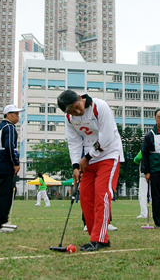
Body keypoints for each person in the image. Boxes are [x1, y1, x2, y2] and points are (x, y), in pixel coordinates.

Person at [57, 90, 124, 251]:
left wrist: (87, 157)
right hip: (88, 160)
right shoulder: (69, 119)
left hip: (109, 155)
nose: (77, 112)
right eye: (72, 111)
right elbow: (74, 143)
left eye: (77, 107)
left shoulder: (99, 107)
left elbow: (107, 138)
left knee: (102, 194)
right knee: (86, 198)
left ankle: (99, 239)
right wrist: (75, 166)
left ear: (80, 98)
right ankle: (96, 235)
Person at [0, 104, 24, 232]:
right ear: (8, 115)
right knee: (6, 194)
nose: (18, 116)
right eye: (15, 114)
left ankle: (1, 220)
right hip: (6, 165)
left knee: (3, 193)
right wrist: (15, 162)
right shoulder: (9, 127)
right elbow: (10, 147)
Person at [133, 151, 148, 219]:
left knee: (142, 194)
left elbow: (136, 159)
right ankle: (155, 213)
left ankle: (144, 213)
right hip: (155, 173)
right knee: (155, 194)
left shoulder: (143, 149)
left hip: (144, 174)